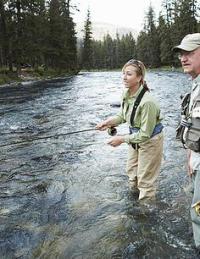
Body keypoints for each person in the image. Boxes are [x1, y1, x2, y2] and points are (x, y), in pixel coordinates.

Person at [95, 59, 164, 202]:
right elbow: (123, 116)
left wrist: (121, 139)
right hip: (135, 137)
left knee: (145, 182)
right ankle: (133, 203)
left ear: (139, 78)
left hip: (150, 140)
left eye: (129, 74)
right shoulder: (126, 94)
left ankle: (145, 212)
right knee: (132, 175)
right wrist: (108, 123)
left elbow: (145, 134)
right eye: (123, 74)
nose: (124, 77)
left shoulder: (148, 102)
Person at [173, 33, 200, 253]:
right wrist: (190, 155)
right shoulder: (195, 85)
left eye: (190, 52)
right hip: (196, 160)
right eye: (182, 53)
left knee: (198, 214)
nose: (183, 57)